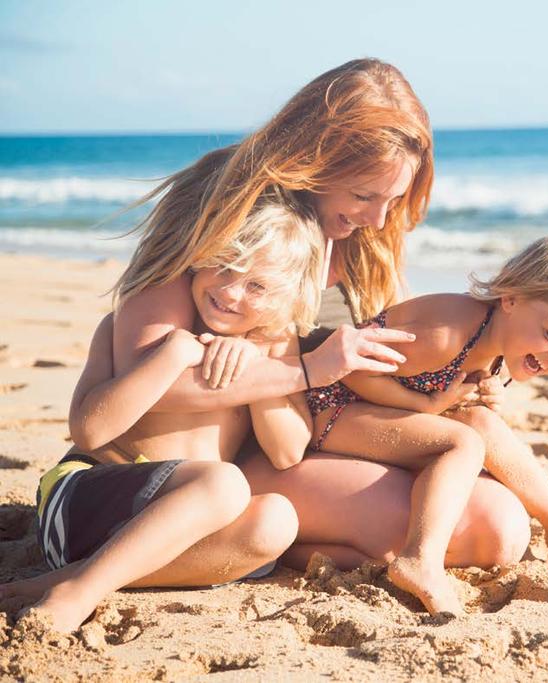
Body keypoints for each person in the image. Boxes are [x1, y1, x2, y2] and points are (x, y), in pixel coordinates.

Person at [6, 58, 530, 626]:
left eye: (392, 200)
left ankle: (214, 555)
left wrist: (449, 381)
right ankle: (87, 578)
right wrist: (299, 372)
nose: (380, 219)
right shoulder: (225, 211)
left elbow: (352, 373)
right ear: (316, 156)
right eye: (363, 194)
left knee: (498, 527)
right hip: (211, 461)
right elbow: (134, 391)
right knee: (477, 526)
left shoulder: (362, 236)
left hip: (300, 439)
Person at [248, 232, 548, 615]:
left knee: (481, 424)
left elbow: (458, 401)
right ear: (511, 298)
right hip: (333, 409)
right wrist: (424, 404)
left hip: (381, 412)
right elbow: (354, 372)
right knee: (462, 443)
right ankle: (419, 559)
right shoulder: (446, 333)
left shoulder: (498, 339)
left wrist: (485, 396)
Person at [1, 195, 324, 633]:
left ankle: (75, 580)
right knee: (225, 482)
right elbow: (90, 429)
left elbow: (287, 452)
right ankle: (80, 592)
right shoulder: (149, 330)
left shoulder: (271, 342)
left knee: (275, 522)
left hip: (159, 537)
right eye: (225, 265)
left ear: (288, 298)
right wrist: (173, 353)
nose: (230, 292)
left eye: (257, 286)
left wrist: (258, 368)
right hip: (80, 505)